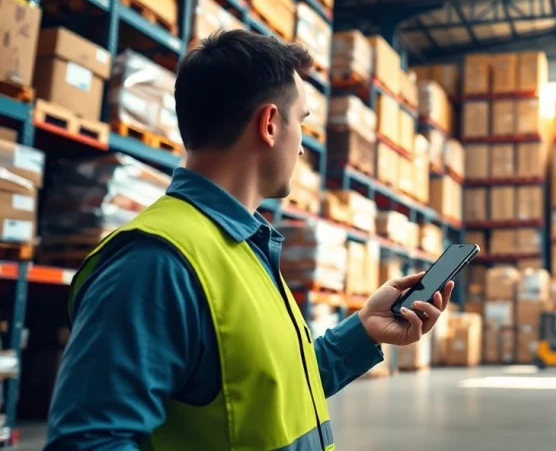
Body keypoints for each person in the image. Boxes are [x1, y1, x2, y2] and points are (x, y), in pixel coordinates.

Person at [44, 30, 454, 451]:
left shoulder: (242, 246)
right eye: (303, 122)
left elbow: (269, 392)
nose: (301, 149)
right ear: (271, 124)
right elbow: (89, 442)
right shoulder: (155, 263)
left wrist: (364, 331)